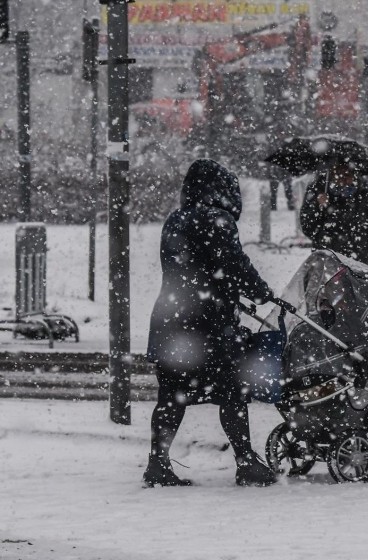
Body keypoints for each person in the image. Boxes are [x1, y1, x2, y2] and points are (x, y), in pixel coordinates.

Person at [145, 159, 277, 487]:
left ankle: (157, 463)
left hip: (172, 320)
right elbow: (234, 264)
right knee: (233, 393)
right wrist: (260, 292)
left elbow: (197, 269)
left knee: (171, 395)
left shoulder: (176, 219)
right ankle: (246, 462)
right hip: (208, 325)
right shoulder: (216, 220)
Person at [300, 159, 368, 272]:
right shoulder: (318, 192)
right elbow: (307, 227)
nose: (343, 179)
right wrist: (317, 206)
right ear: (332, 173)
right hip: (327, 264)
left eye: (347, 174)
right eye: (339, 173)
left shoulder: (364, 195)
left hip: (359, 263)